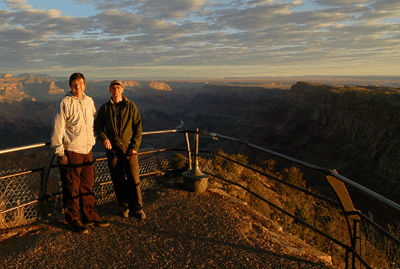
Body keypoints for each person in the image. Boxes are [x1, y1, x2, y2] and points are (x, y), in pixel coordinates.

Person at [51, 72, 109, 234]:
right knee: (72, 187)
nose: (78, 87)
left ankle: (90, 215)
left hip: (87, 150)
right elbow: (57, 129)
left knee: (87, 185)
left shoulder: (89, 101)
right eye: (75, 84)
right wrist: (60, 152)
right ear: (70, 86)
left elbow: (90, 123)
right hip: (72, 151)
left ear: (85, 85)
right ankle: (73, 218)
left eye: (81, 84)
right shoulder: (64, 103)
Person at [94, 79, 146, 220]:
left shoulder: (131, 106)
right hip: (113, 150)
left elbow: (138, 128)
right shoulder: (105, 108)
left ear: (122, 90)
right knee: (117, 179)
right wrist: (104, 138)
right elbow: (97, 126)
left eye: (118, 87)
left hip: (129, 149)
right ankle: (124, 206)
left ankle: (138, 208)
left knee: (133, 178)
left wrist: (135, 146)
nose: (116, 90)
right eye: (113, 88)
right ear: (109, 90)